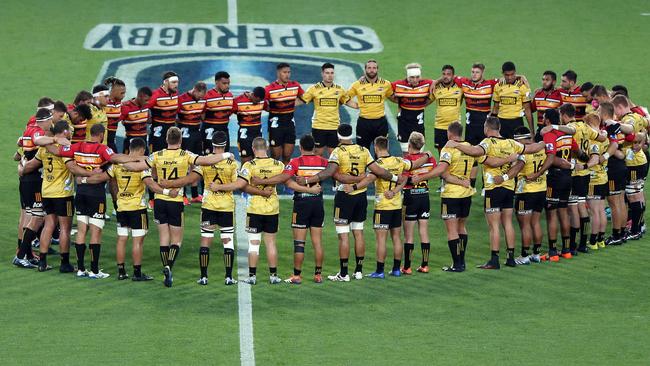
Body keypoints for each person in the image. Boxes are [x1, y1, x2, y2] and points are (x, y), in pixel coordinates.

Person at [121, 127, 233, 287]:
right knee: (177, 240)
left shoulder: (157, 155)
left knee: (163, 239)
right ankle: (169, 266)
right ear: (180, 140)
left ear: (166, 139)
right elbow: (206, 161)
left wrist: (122, 163)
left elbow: (136, 167)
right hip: (175, 201)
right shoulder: (185, 155)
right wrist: (227, 154)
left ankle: (166, 268)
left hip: (159, 200)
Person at [159, 131, 264, 286]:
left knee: (205, 240)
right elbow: (239, 185)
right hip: (226, 206)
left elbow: (190, 179)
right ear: (226, 144)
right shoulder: (233, 164)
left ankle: (204, 277)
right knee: (227, 241)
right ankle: (228, 277)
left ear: (212, 144)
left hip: (208, 205)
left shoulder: (205, 162)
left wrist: (170, 184)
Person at [302, 124, 399, 282]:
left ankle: (344, 273)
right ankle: (359, 271)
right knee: (358, 233)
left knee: (343, 236)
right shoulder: (364, 151)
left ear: (338, 136)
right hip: (360, 197)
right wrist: (395, 178)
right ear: (351, 134)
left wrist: (308, 180)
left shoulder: (338, 152)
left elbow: (329, 172)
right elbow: (378, 170)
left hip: (344, 196)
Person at [446, 116, 542, 269]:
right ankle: (510, 258)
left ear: (487, 128)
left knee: (494, 226)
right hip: (509, 187)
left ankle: (494, 259)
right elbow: (532, 148)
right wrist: (545, 142)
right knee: (508, 223)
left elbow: (475, 151)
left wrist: (456, 146)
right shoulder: (511, 143)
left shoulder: (488, 142)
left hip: (493, 188)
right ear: (499, 128)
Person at [48, 124, 140, 278]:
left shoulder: (77, 146)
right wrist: (137, 157)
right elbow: (116, 158)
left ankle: (80, 269)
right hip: (96, 194)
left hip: (81, 193)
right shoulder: (102, 149)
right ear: (102, 134)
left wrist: (51, 139)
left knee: (82, 230)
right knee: (96, 231)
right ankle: (94, 270)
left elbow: (55, 150)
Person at [78, 137, 174, 280]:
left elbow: (102, 177)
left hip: (122, 207)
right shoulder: (141, 166)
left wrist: (84, 180)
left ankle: (121, 272)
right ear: (142, 150)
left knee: (122, 239)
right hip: (137, 208)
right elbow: (150, 184)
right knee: (137, 241)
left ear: (129, 149)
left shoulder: (118, 165)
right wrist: (167, 192)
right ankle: (137, 273)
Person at [341, 136, 435, 278]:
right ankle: (397, 269)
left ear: (376, 147)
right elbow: (414, 165)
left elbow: (369, 180)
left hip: (383, 207)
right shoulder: (399, 161)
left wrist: (354, 187)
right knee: (397, 238)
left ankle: (380, 271)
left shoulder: (377, 165)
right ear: (388, 147)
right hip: (397, 206)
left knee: (381, 240)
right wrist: (427, 154)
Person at [248, 134, 328, 284]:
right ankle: (318, 275)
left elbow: (283, 178)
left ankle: (297, 276)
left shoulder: (296, 162)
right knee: (317, 242)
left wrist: (261, 181)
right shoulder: (324, 162)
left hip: (302, 204)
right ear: (315, 148)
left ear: (300, 147)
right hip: (318, 203)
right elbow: (332, 173)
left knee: (299, 243)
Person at [18, 120, 93, 272]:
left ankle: (42, 262)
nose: (71, 134)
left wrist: (21, 168)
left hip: (46, 191)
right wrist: (90, 173)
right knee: (65, 228)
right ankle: (64, 263)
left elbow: (32, 165)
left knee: (48, 225)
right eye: (70, 131)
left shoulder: (44, 149)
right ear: (64, 132)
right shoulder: (66, 148)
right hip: (63, 194)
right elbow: (72, 167)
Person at [211, 137, 285, 285]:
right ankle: (273, 276)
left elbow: (241, 185)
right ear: (267, 148)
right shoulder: (279, 165)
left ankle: (252, 277)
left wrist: (219, 187)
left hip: (255, 210)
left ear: (253, 148)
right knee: (271, 243)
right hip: (272, 210)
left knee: (254, 244)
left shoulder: (249, 165)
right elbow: (286, 179)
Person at [413, 123, 475, 272]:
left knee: (452, 230)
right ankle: (462, 261)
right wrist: (463, 181)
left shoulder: (449, 149)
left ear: (450, 133)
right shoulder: (469, 147)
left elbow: (441, 170)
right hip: (466, 193)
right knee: (462, 227)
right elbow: (473, 168)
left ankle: (457, 264)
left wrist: (422, 176)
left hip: (451, 195)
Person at [613, 95, 648, 239]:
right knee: (637, 195)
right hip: (639, 161)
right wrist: (642, 137)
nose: (616, 114)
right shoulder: (638, 115)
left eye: (616, 110)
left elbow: (629, 130)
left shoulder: (629, 119)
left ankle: (635, 230)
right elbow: (646, 125)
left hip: (634, 164)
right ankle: (638, 227)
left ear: (620, 107)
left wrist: (615, 125)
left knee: (634, 196)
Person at [400, 132, 436, 273]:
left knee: (408, 234)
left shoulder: (407, 160)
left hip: (410, 197)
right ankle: (425, 265)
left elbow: (403, 179)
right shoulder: (430, 160)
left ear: (409, 144)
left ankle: (407, 267)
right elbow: (435, 171)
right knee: (424, 231)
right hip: (424, 197)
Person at [512, 126, 549, 263]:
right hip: (541, 190)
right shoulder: (540, 148)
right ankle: (536, 254)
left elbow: (514, 170)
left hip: (526, 192)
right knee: (535, 222)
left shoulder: (522, 152)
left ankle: (524, 256)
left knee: (525, 225)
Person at [302, 63, 353, 156]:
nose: (330, 75)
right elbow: (302, 100)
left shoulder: (339, 89)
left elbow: (348, 102)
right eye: (327, 73)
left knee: (334, 155)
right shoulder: (314, 89)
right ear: (322, 74)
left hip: (334, 127)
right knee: (318, 154)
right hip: (318, 126)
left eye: (332, 73)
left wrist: (364, 105)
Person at [347, 59, 393, 150]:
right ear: (365, 69)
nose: (372, 70)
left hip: (380, 123)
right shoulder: (357, 85)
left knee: (381, 152)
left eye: (374, 68)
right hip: (364, 123)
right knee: (362, 152)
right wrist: (356, 105)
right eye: (369, 68)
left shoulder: (386, 84)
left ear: (377, 69)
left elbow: (392, 96)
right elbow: (344, 98)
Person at [265, 63, 304, 164]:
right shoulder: (269, 89)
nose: (287, 75)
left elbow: (305, 98)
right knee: (275, 156)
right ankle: (274, 178)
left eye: (289, 72)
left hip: (289, 124)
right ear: (278, 73)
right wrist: (272, 108)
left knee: (287, 155)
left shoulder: (295, 86)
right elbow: (262, 104)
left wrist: (291, 104)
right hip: (275, 125)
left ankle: (286, 178)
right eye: (284, 72)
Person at [390, 63, 433, 152]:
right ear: (407, 77)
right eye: (412, 77)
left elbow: (439, 84)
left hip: (418, 124)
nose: (415, 80)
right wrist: (394, 100)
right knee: (405, 150)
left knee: (419, 150)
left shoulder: (427, 84)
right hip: (404, 124)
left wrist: (425, 103)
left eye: (417, 77)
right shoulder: (399, 85)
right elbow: (385, 89)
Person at [177, 81, 208, 203]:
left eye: (202, 97)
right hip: (185, 132)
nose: (200, 98)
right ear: (194, 90)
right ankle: (183, 195)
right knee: (184, 163)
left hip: (197, 132)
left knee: (195, 163)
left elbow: (203, 114)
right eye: (199, 96)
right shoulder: (182, 99)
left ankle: (195, 195)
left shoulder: (203, 100)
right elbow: (174, 114)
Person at [583, 114, 610, 250]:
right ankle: (601, 240)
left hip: (594, 179)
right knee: (601, 210)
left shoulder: (594, 140)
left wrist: (583, 166)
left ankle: (593, 241)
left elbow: (593, 159)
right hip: (603, 177)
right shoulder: (604, 137)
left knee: (594, 212)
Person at [491, 61, 533, 138]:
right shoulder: (498, 86)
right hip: (502, 123)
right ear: (503, 74)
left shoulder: (523, 86)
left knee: (518, 148)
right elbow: (495, 109)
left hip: (517, 122)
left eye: (512, 74)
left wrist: (532, 132)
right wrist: (491, 128)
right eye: (507, 75)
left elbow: (527, 110)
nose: (510, 77)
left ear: (515, 73)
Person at [431, 65, 463, 153]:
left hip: (455, 127)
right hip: (439, 126)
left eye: (448, 74)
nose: (446, 76)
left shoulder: (460, 88)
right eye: (444, 74)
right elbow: (427, 101)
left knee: (456, 152)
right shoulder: (436, 88)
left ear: (453, 76)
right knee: (442, 154)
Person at [147, 71, 179, 153]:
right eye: (173, 82)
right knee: (156, 159)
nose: (176, 85)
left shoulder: (175, 94)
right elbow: (143, 107)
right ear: (165, 82)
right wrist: (148, 119)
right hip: (158, 134)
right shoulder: (155, 95)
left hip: (172, 132)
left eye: (177, 82)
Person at [232, 87, 266, 163]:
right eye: (257, 100)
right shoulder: (238, 101)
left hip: (258, 135)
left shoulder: (263, 102)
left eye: (260, 101)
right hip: (244, 136)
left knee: (259, 162)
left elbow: (268, 108)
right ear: (254, 95)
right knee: (246, 163)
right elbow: (229, 112)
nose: (258, 102)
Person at [203, 71, 234, 153]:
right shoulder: (207, 96)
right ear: (216, 82)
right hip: (210, 131)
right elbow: (201, 115)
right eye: (224, 83)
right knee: (209, 156)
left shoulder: (230, 96)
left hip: (224, 130)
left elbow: (229, 112)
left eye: (228, 83)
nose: (227, 86)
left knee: (225, 156)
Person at [531, 71, 562, 140]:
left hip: (553, 130)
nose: (544, 82)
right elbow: (530, 110)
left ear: (554, 82)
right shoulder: (538, 94)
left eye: (547, 80)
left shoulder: (559, 95)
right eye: (543, 79)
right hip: (540, 129)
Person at [120, 87, 152, 153]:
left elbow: (149, 120)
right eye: (146, 100)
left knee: (144, 162)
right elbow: (116, 121)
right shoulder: (126, 106)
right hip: (130, 144)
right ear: (140, 96)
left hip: (143, 143)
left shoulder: (146, 106)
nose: (147, 102)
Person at [104, 76, 126, 152]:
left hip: (112, 139)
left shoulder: (119, 104)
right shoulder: (104, 103)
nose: (124, 96)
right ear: (113, 91)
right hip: (102, 140)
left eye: (124, 93)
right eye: (122, 93)